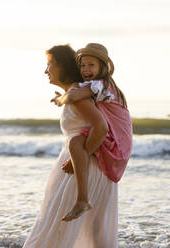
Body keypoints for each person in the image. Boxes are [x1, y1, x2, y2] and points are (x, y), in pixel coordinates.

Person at [22, 44, 118, 248]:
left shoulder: (78, 95)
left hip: (83, 167)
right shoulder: (76, 93)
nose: (46, 71)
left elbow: (101, 128)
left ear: (63, 66)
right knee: (94, 231)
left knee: (58, 226)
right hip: (88, 164)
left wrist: (78, 160)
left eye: (50, 65)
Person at [51, 43, 133, 222]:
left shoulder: (100, 84)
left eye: (91, 65)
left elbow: (72, 96)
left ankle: (82, 200)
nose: (86, 69)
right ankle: (82, 199)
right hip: (120, 138)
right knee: (77, 142)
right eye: (82, 65)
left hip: (116, 138)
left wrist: (60, 100)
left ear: (103, 67)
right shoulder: (105, 85)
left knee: (75, 143)